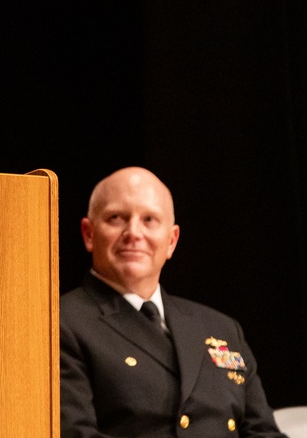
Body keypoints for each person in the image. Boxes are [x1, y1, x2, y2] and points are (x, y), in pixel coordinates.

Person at [60, 166, 288, 437]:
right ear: (89, 233)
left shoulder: (222, 328)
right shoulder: (61, 322)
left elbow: (262, 432)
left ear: (171, 241)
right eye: (116, 217)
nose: (133, 232)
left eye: (149, 220)